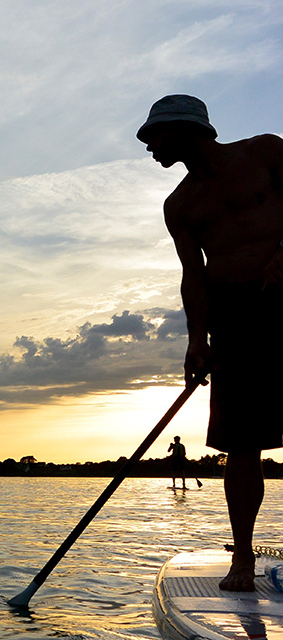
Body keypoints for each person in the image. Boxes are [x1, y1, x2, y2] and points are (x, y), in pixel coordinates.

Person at [139, 94, 283, 591]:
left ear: (186, 129)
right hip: (233, 317)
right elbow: (193, 275)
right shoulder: (179, 205)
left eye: (154, 136)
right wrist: (196, 340)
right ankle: (243, 557)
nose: (149, 146)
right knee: (241, 443)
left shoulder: (265, 151)